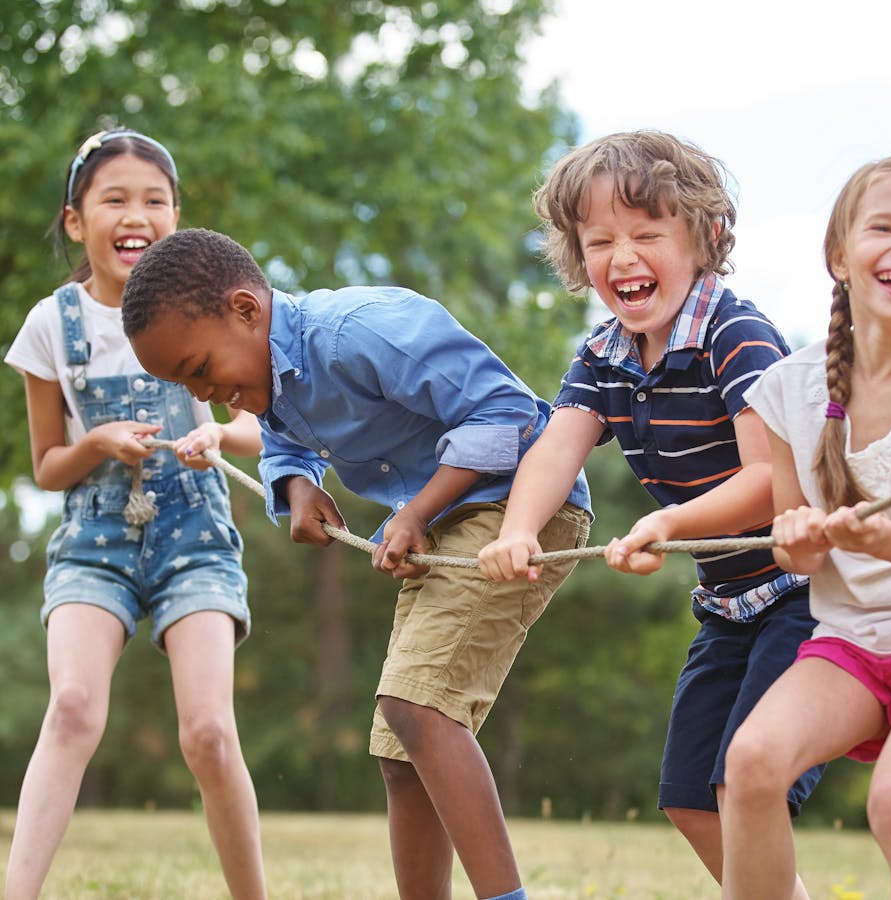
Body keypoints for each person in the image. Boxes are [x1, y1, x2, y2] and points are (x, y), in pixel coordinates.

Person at [120, 226, 592, 900]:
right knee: (400, 751)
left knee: (417, 708)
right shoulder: (272, 382)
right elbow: (285, 443)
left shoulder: (358, 332)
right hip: (446, 522)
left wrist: (416, 511)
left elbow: (507, 411)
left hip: (518, 508)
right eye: (184, 384)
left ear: (247, 311)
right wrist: (296, 488)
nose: (209, 393)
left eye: (200, 370)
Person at [477, 130, 823, 894]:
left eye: (646, 234)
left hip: (807, 594)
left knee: (743, 780)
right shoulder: (603, 356)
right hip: (730, 603)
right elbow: (554, 450)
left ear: (703, 236)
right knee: (690, 800)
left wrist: (667, 523)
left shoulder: (735, 336)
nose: (622, 256)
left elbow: (769, 477)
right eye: (600, 240)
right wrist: (518, 530)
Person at [719, 154, 891, 900]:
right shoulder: (787, 391)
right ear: (840, 256)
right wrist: (801, 542)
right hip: (849, 642)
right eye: (884, 227)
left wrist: (882, 539)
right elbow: (796, 550)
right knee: (750, 765)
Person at [3, 130, 267, 900]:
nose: (136, 214)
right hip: (95, 539)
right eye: (114, 198)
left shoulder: (214, 308)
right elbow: (49, 465)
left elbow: (260, 425)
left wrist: (217, 430)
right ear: (76, 220)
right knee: (74, 708)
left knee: (210, 734)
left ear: (177, 218)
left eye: (154, 200)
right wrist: (100, 444)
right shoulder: (51, 325)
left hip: (196, 536)